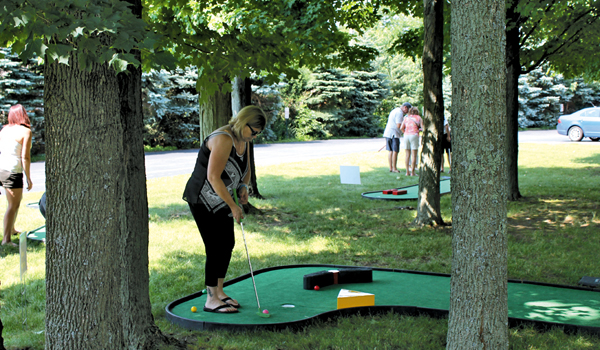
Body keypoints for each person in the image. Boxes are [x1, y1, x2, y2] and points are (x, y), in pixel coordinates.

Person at [182, 105, 267, 314]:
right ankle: (211, 298)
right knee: (214, 246)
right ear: (242, 122)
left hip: (221, 198)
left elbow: (244, 170)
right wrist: (233, 205)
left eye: (257, 134)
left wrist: (243, 187)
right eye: (253, 131)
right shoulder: (223, 138)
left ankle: (219, 292)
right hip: (202, 198)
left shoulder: (243, 140)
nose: (254, 136)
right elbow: (212, 177)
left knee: (227, 242)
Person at [0, 104, 33, 246]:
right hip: (13, 170)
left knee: (14, 203)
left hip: (1, 168)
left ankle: (12, 229)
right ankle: (6, 240)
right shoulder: (26, 131)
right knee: (13, 205)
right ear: (23, 114)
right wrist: (28, 178)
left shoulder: (4, 129)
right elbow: (25, 157)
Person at [382, 102, 411, 172]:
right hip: (394, 134)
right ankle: (394, 168)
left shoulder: (395, 110)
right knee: (395, 151)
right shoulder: (399, 113)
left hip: (388, 133)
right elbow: (399, 125)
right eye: (408, 110)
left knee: (390, 151)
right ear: (405, 107)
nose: (407, 112)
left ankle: (391, 168)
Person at [400, 107, 423, 177]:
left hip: (406, 135)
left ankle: (407, 172)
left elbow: (401, 128)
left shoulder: (406, 118)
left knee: (407, 155)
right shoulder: (419, 118)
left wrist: (405, 133)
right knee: (414, 155)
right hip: (414, 135)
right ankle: (413, 172)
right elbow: (423, 127)